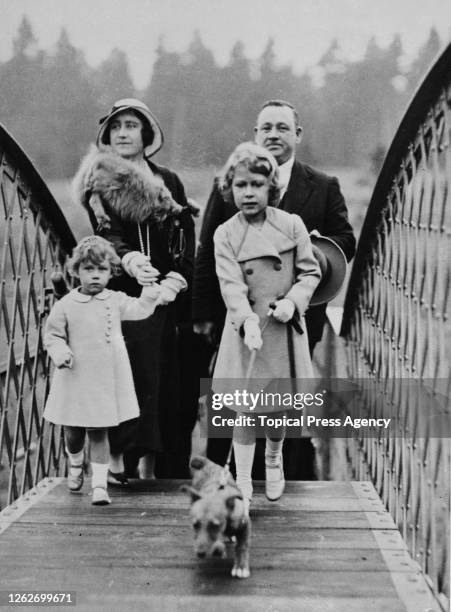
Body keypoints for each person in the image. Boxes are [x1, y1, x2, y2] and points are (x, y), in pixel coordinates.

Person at [192, 99, 356, 478]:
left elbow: (346, 239)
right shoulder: (230, 181)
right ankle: (226, 482)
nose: (273, 134)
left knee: (286, 401)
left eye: (282, 127)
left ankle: (290, 484)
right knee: (235, 398)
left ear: (298, 135)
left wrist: (316, 247)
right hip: (240, 316)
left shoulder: (323, 186)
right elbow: (207, 250)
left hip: (294, 317)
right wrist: (202, 314)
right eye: (265, 127)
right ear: (255, 134)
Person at [74, 98, 196, 480]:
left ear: (146, 135)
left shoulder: (169, 180)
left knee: (169, 384)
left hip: (169, 297)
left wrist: (177, 277)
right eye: (116, 127)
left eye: (131, 125)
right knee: (132, 375)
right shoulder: (101, 178)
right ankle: (119, 463)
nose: (123, 133)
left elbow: (184, 230)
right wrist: (127, 260)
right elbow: (105, 230)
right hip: (127, 294)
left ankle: (163, 470)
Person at [212, 143, 321, 511]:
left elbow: (311, 272)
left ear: (271, 187)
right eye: (240, 185)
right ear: (231, 188)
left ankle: (273, 460)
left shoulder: (291, 225)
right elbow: (231, 284)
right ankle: (243, 478)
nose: (248, 192)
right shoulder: (225, 234)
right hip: (248, 332)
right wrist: (246, 321)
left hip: (283, 328)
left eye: (256, 184)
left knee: (276, 410)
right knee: (245, 410)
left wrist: (294, 301)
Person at [43, 236, 165, 505]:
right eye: (88, 269)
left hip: (104, 380)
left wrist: (150, 292)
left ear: (111, 272)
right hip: (75, 375)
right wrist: (60, 352)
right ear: (76, 271)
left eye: (102, 270)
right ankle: (75, 464)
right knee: (74, 432)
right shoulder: (67, 305)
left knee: (99, 431)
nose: (95, 276)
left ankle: (99, 486)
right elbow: (52, 335)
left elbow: (140, 309)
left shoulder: (115, 300)